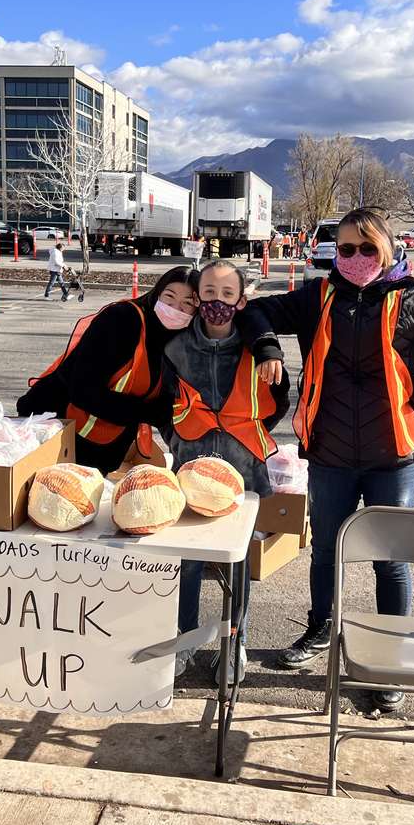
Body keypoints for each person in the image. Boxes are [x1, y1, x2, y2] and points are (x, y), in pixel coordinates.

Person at [240, 208, 414, 712]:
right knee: (327, 549)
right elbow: (256, 312)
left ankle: (390, 655)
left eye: (367, 248)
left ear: (389, 250)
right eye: (346, 248)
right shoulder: (317, 297)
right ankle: (318, 630)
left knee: (390, 558)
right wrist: (268, 347)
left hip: (392, 455)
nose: (355, 258)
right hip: (331, 453)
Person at [162, 260, 290, 684]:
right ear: (198, 297)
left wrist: (240, 436)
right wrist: (182, 440)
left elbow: (277, 403)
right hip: (190, 468)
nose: (218, 302)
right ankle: (186, 637)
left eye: (227, 294)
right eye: (210, 293)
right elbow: (165, 405)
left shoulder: (258, 349)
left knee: (237, 563)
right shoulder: (176, 347)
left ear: (241, 299)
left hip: (243, 473)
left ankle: (234, 640)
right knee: (189, 562)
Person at [18, 267, 198, 475]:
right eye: (169, 297)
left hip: (99, 451)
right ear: (156, 293)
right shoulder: (122, 320)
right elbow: (83, 390)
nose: (176, 308)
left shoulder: (177, 341)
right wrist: (150, 412)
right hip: (56, 433)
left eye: (187, 304)